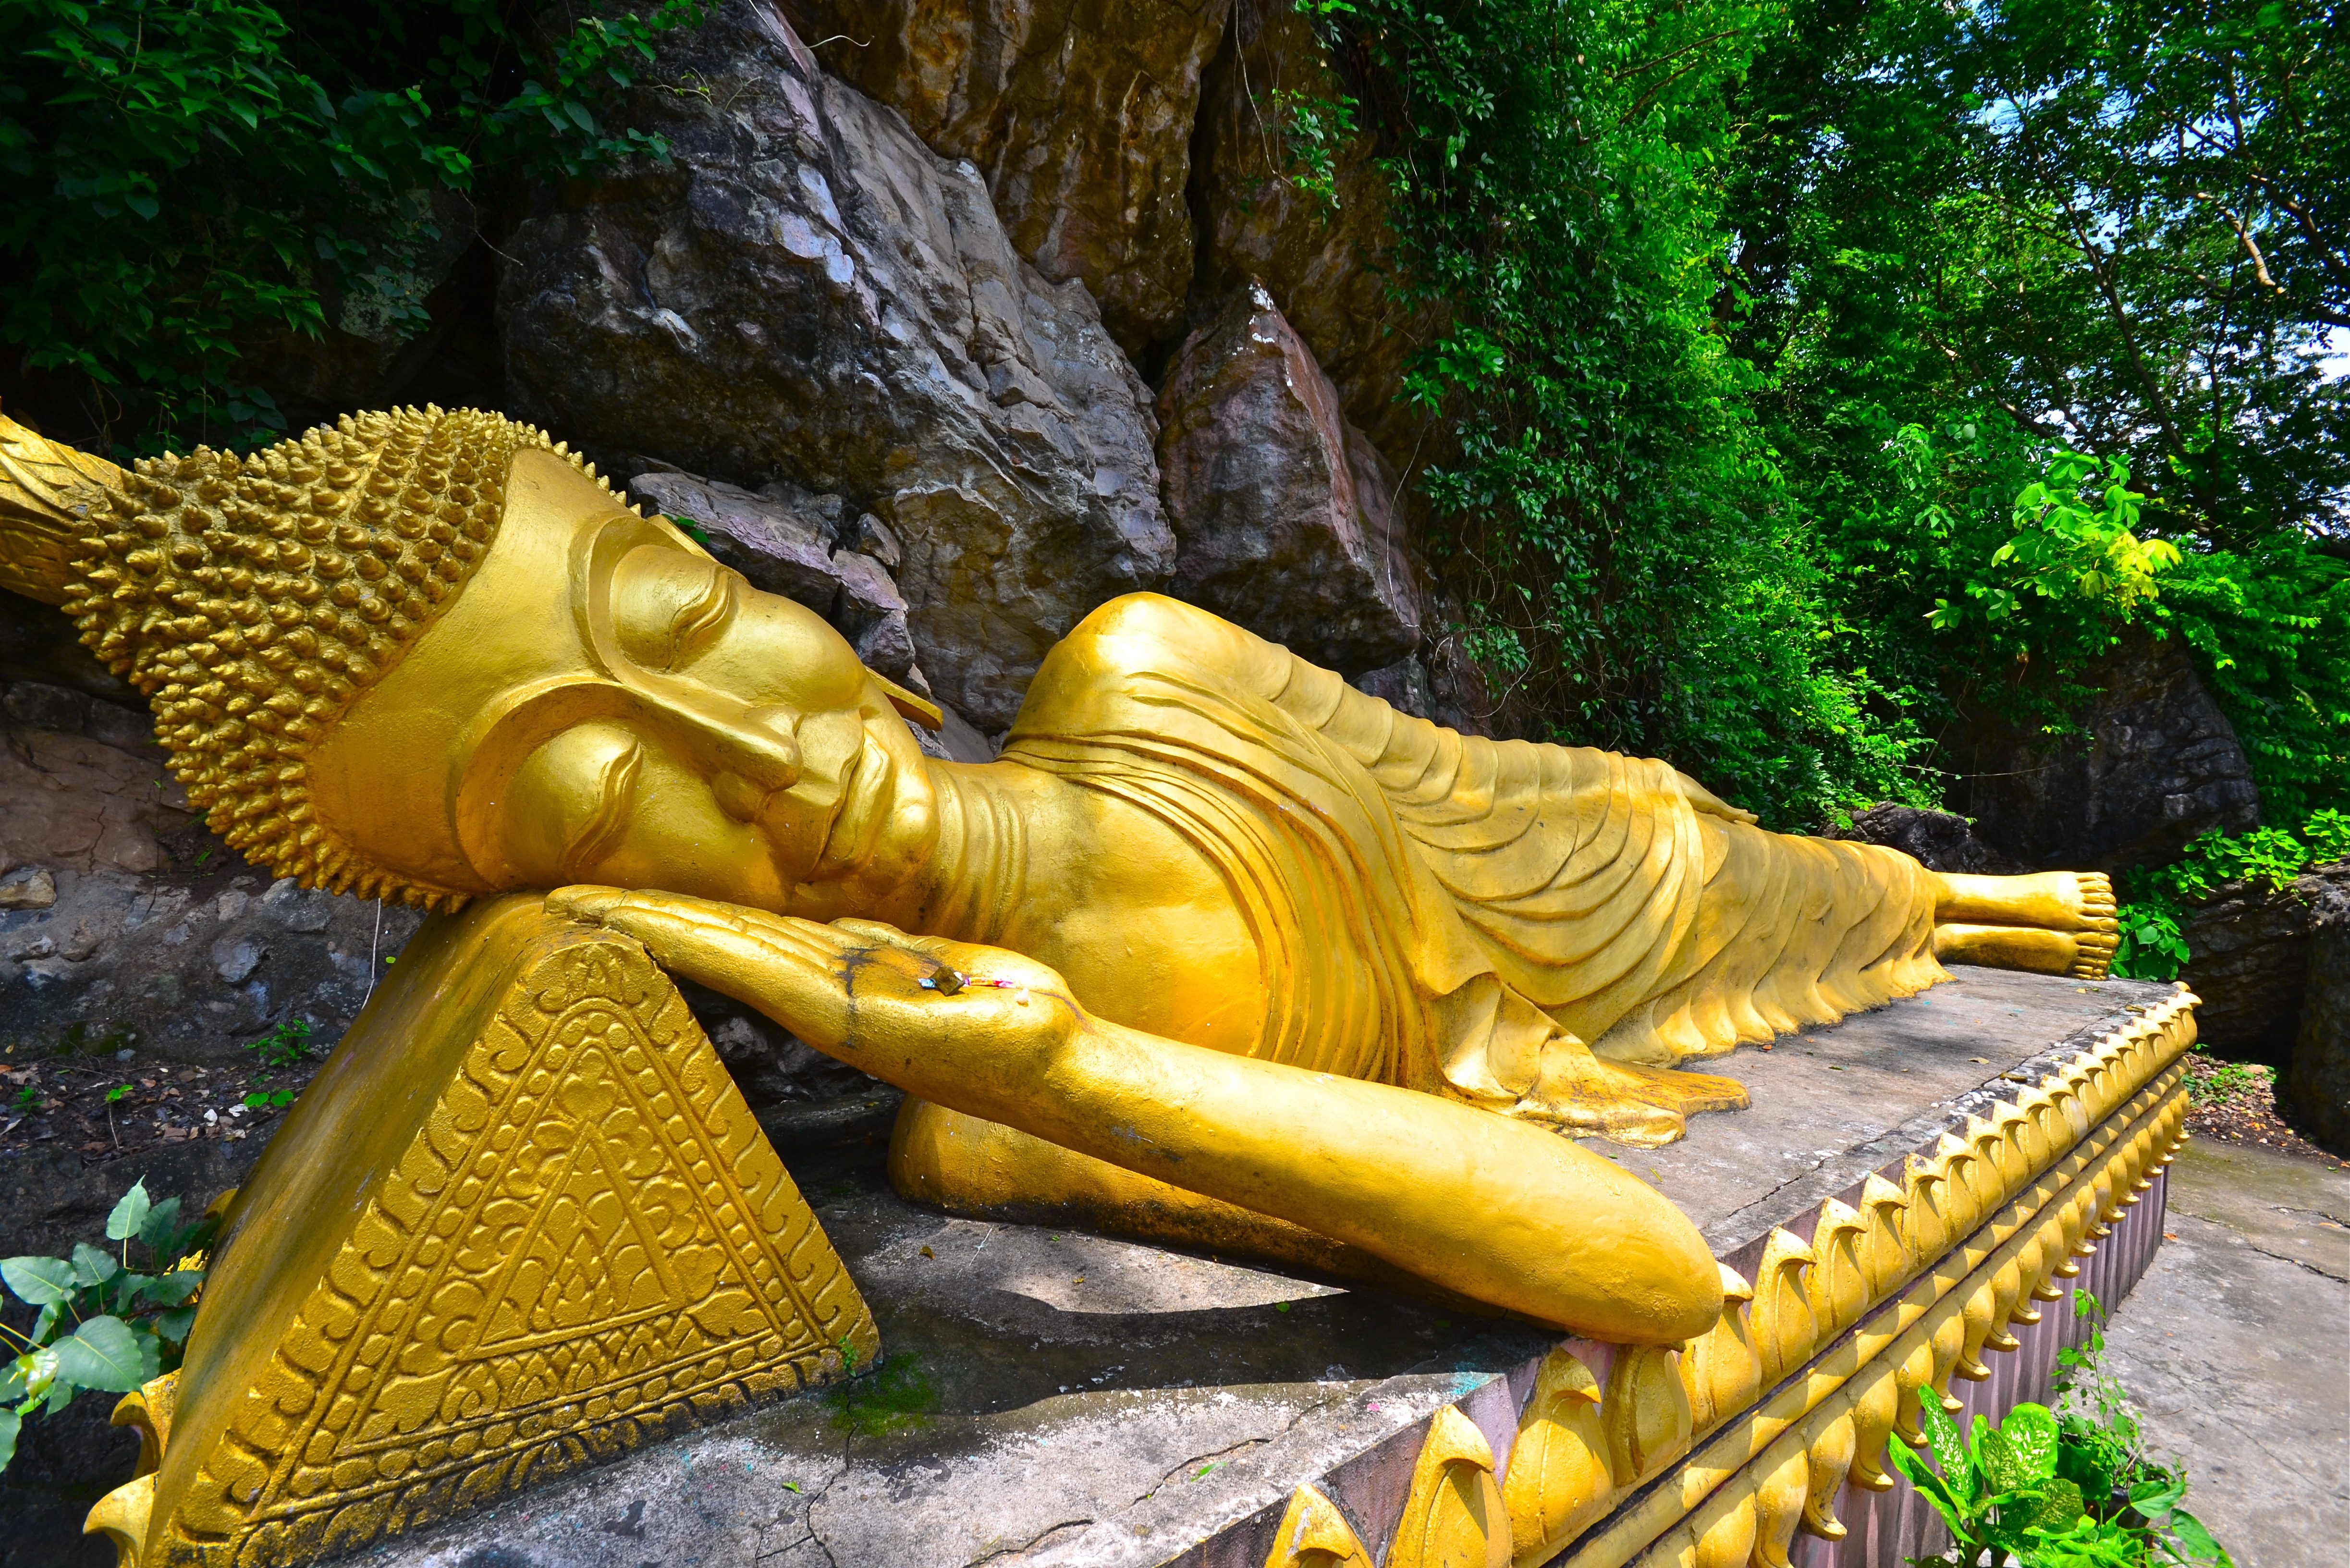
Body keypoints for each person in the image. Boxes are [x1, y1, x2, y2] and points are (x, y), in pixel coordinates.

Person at [0, 406, 2118, 1335]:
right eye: (580, 806)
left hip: (1576, 878)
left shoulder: (1146, 659)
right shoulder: (984, 1125)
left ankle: (1969, 902)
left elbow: (1490, 793)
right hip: (1485, 1058)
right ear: (554, 905)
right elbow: (1637, 1274)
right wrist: (1068, 1074)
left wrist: (1651, 879)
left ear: (713, 565)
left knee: (1722, 851)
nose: (757, 755)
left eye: (672, 626)